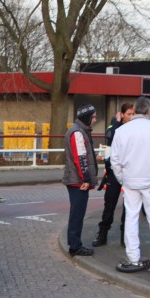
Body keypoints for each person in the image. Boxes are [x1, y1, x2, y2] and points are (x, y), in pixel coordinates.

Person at [110, 96, 150, 269]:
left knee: (131, 217)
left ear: (135, 110)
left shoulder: (122, 131)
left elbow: (114, 159)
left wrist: (123, 178)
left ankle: (133, 257)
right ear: (149, 110)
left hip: (130, 180)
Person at [93, 102, 134, 247]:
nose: (131, 117)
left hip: (129, 172)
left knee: (128, 207)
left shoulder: (135, 128)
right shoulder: (114, 125)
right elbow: (109, 135)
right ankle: (102, 235)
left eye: (132, 114)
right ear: (121, 114)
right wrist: (116, 122)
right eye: (128, 114)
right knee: (109, 204)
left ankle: (125, 236)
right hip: (113, 172)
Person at [62, 104, 99, 256]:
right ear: (88, 117)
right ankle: (75, 246)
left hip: (77, 180)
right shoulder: (78, 133)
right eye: (94, 117)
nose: (95, 120)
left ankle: (74, 243)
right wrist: (86, 179)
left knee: (76, 213)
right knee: (77, 214)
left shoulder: (79, 131)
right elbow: (81, 158)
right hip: (78, 181)